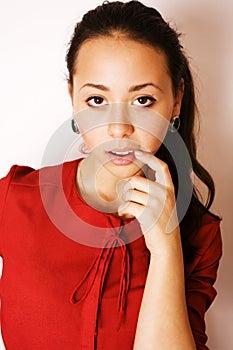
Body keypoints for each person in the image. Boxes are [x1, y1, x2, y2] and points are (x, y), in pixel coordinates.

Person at [0, 1, 222, 349]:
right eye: (97, 101)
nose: (119, 128)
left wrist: (165, 249)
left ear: (176, 100)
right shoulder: (14, 199)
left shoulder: (201, 234)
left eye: (143, 100)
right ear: (73, 97)